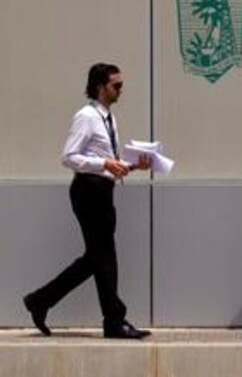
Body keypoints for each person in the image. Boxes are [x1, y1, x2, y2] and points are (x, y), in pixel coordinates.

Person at [23, 63, 152, 339]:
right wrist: (105, 162)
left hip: (102, 190)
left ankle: (40, 300)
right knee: (104, 257)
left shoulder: (108, 118)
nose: (121, 90)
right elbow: (68, 157)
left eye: (121, 85)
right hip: (88, 191)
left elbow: (104, 161)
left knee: (97, 258)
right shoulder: (86, 116)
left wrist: (129, 165)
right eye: (115, 85)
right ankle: (114, 321)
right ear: (99, 86)